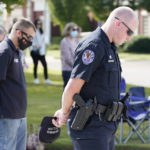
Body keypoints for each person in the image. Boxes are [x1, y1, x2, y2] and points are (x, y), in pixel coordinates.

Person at [52, 6, 138, 150]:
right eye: (129, 32)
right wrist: (64, 111)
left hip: (106, 126)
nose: (129, 38)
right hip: (90, 128)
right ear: (118, 23)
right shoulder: (94, 46)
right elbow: (73, 87)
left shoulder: (109, 47)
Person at [0, 18, 36, 150]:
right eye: (29, 37)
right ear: (19, 33)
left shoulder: (17, 52)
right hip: (8, 114)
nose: (30, 41)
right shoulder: (4, 51)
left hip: (20, 114)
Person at [30, 19, 53, 84]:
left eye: (40, 24)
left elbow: (43, 41)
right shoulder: (32, 32)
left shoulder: (42, 32)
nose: (39, 25)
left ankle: (46, 79)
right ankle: (36, 79)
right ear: (35, 24)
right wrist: (34, 45)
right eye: (37, 23)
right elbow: (30, 41)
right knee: (36, 64)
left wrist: (42, 47)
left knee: (45, 65)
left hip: (41, 51)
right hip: (34, 51)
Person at [60, 22, 80, 88]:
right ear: (68, 31)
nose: (75, 31)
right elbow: (68, 58)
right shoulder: (64, 42)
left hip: (76, 70)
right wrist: (77, 66)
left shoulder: (77, 41)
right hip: (68, 71)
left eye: (76, 30)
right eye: (73, 30)